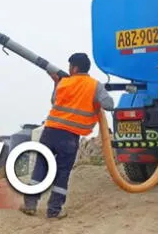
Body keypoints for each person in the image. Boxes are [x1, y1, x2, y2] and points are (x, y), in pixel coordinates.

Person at [20, 52, 114, 219]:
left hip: (50, 131)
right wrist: (95, 101)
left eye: (70, 66)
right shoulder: (95, 85)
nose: (69, 69)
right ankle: (54, 210)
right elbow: (109, 104)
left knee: (41, 165)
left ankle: (30, 204)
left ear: (75, 67)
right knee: (62, 172)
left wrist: (56, 83)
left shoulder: (64, 82)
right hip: (70, 137)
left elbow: (54, 101)